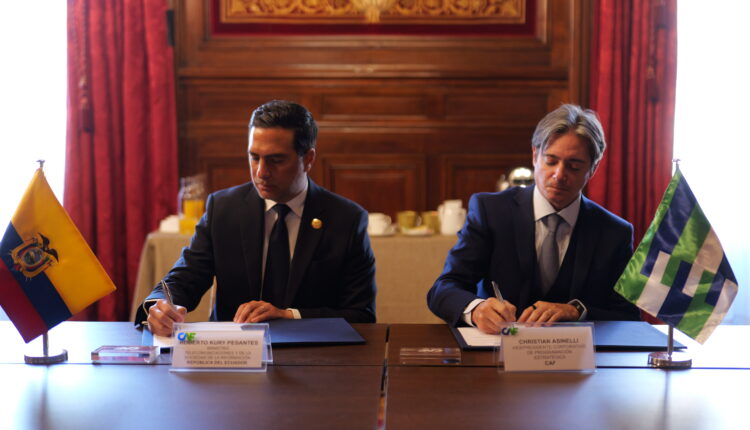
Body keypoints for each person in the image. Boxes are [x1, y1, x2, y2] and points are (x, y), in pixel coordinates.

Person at [137, 100, 376, 336]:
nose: (261, 172)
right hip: (232, 350)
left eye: (276, 160)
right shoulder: (224, 209)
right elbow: (184, 278)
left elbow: (361, 315)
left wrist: (290, 316)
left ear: (308, 159)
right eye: (254, 157)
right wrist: (160, 307)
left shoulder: (346, 219)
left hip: (314, 354)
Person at [427, 104, 639, 334]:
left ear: (593, 169)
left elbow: (628, 316)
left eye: (574, 166)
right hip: (496, 349)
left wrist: (577, 311)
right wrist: (476, 309)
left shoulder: (614, 232)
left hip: (577, 354)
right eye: (551, 161)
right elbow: (443, 289)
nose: (559, 175)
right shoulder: (491, 211)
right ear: (535, 155)